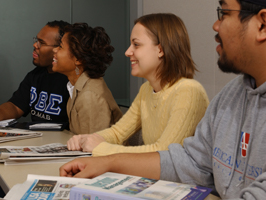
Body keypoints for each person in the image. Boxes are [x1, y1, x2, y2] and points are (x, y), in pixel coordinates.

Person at [60, 0, 266, 199]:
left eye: (225, 13)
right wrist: (108, 162)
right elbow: (190, 162)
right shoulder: (230, 95)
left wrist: (103, 151)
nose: (215, 25)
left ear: (262, 24)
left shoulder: (189, 91)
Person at [66, 13, 209, 157]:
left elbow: (164, 153)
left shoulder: (189, 91)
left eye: (136, 45)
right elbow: (118, 133)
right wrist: (88, 139)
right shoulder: (146, 89)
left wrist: (100, 148)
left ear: (160, 50)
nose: (128, 52)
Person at [0, 20, 70, 128]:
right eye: (36, 40)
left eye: (42, 42)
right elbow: (16, 106)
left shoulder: (71, 80)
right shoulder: (35, 75)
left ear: (59, 49)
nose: (35, 45)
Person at [52, 23, 123, 135]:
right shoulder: (77, 86)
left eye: (60, 47)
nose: (54, 50)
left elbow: (94, 148)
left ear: (78, 59)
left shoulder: (90, 96)